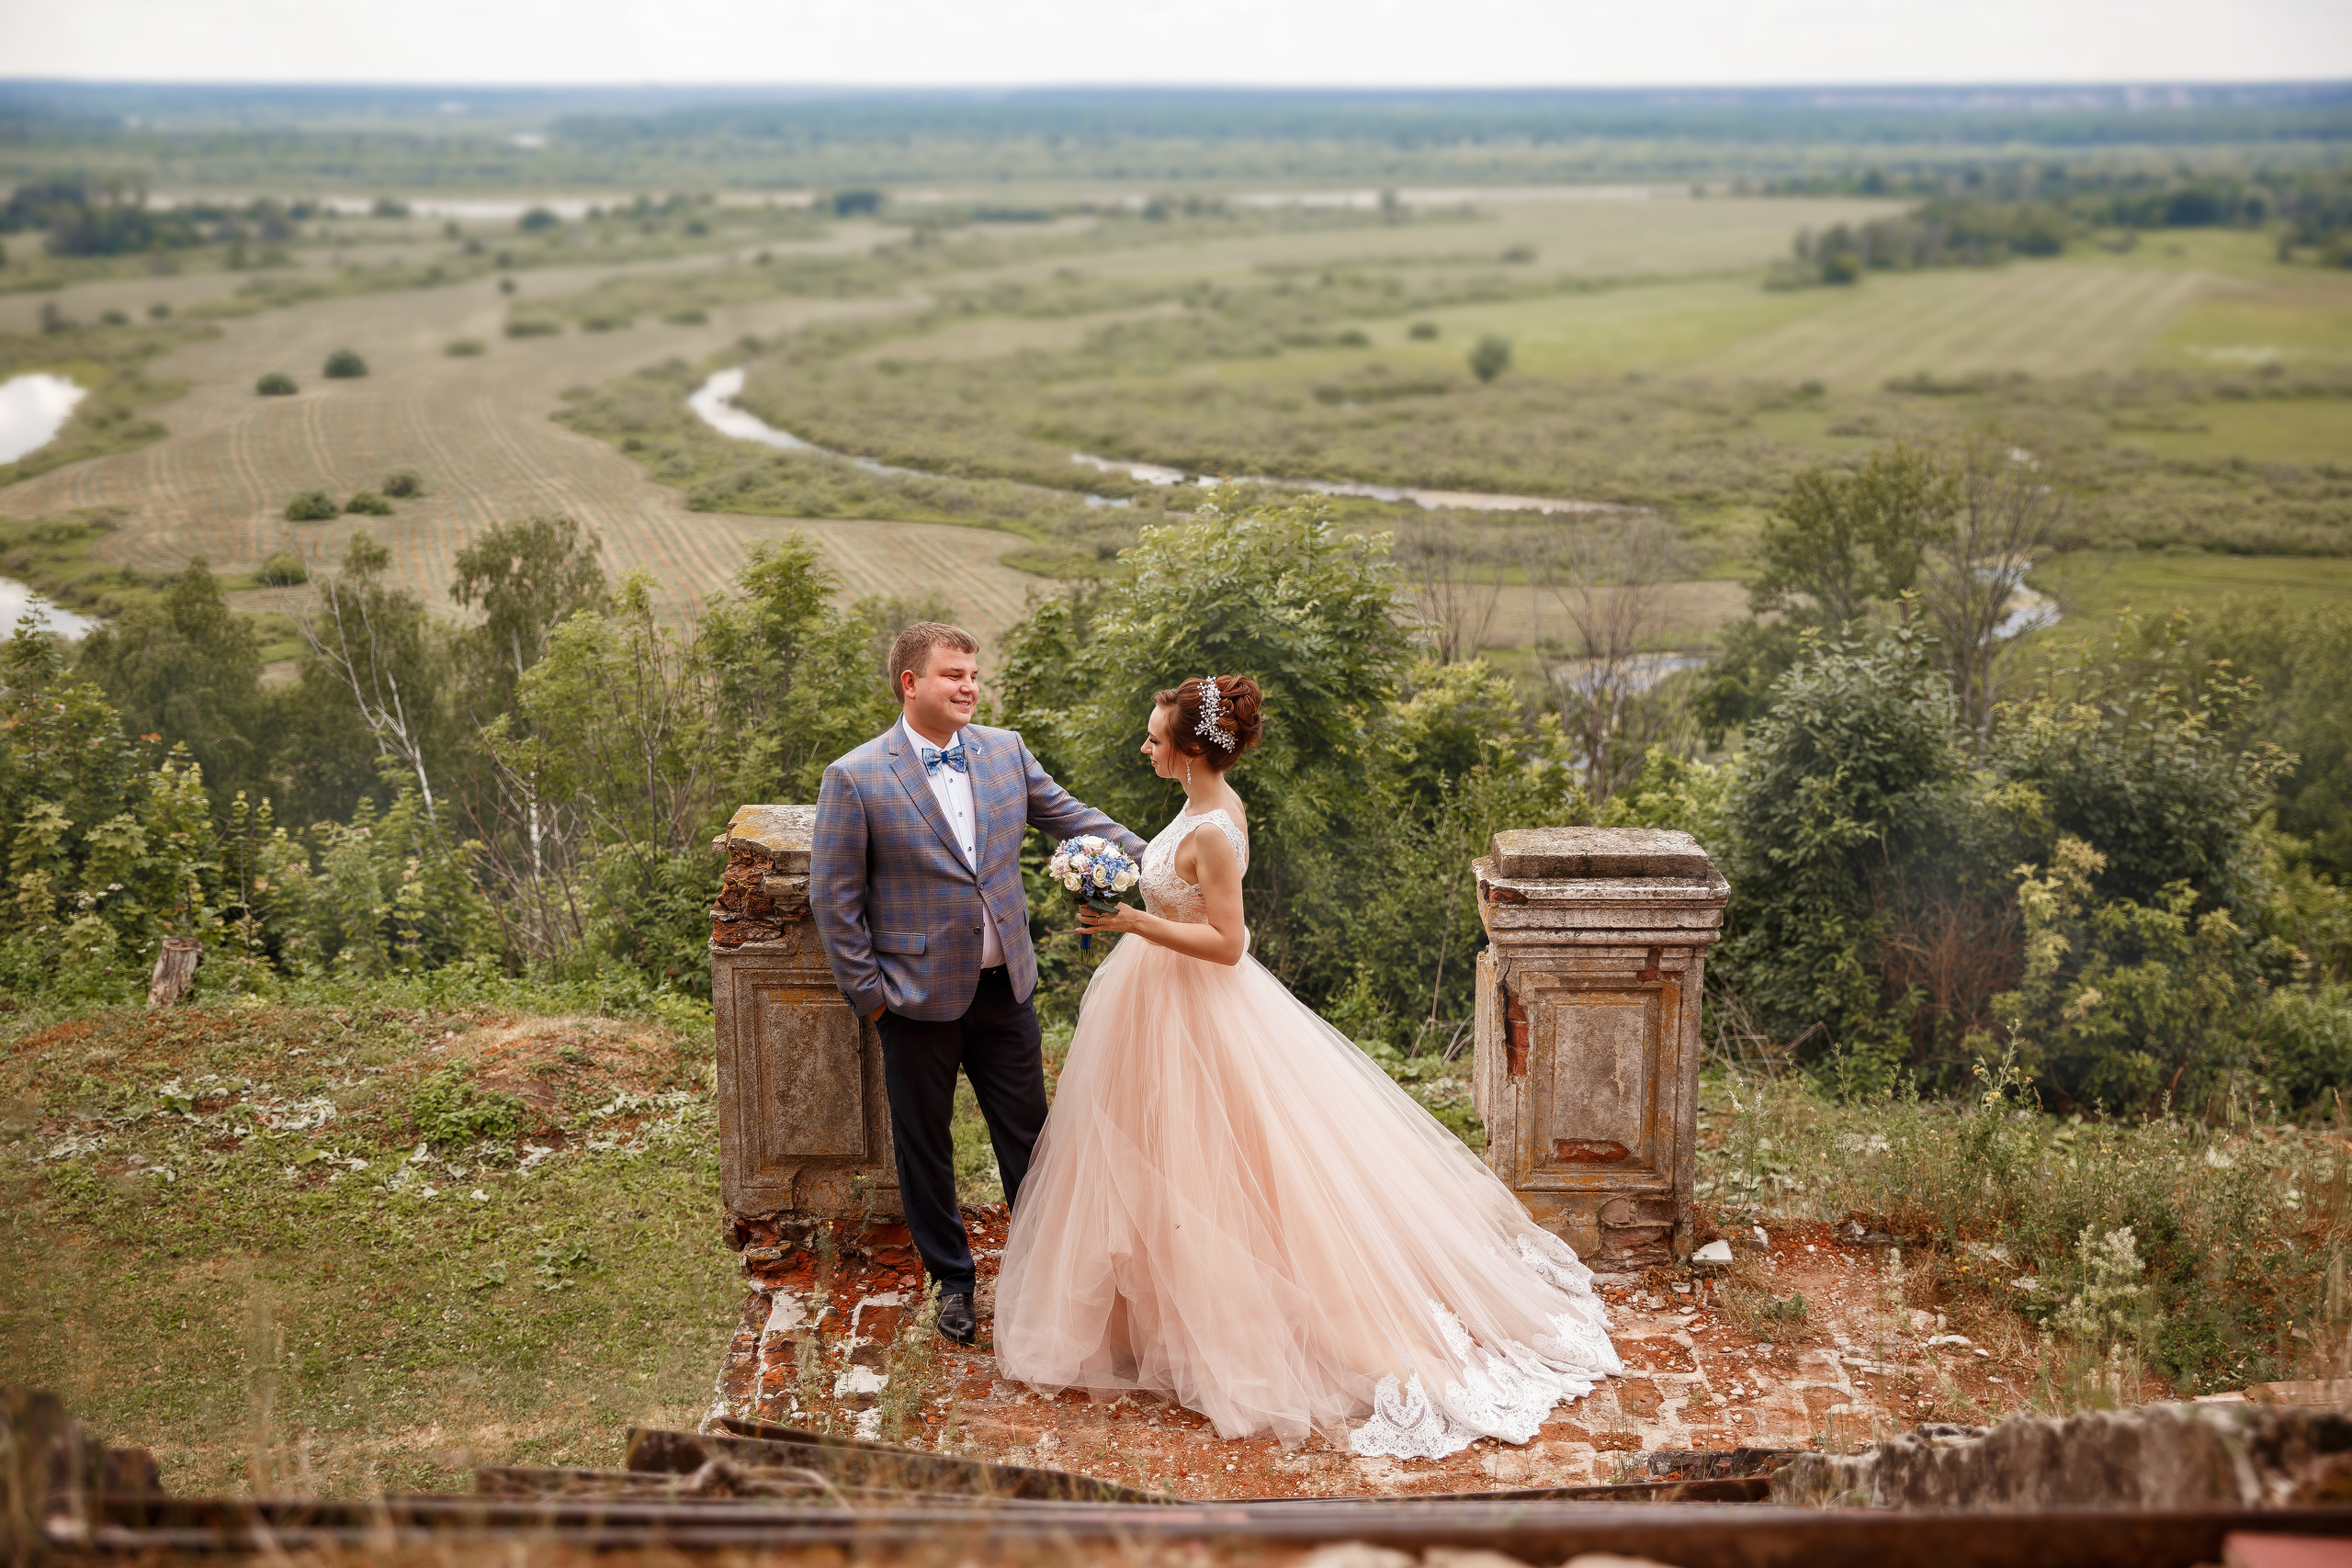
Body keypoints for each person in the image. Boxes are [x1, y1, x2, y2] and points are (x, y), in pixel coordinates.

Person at [992, 674, 1622, 1460]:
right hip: (1153, 1001)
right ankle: (1151, 1314)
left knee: (1217, 1164)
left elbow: (1228, 944)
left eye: (1154, 737)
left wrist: (1131, 919)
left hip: (1194, 1006)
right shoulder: (1202, 805)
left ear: (1190, 753)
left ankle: (1241, 1325)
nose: (1144, 746)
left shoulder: (1213, 830)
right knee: (1157, 1155)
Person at [811, 621, 1145, 1347]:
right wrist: (873, 998)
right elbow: (833, 903)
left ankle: (1051, 1279)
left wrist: (1164, 859)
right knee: (925, 1146)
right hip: (912, 1002)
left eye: (972, 674)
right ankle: (953, 1282)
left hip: (1006, 992)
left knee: (1033, 1139)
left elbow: (1073, 820)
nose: (969, 686)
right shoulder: (856, 776)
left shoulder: (1005, 751)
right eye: (952, 674)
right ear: (911, 683)